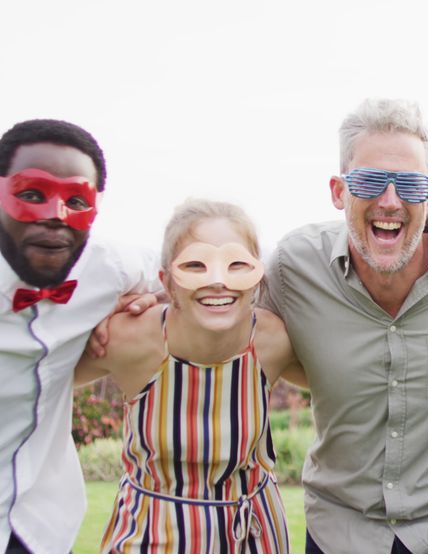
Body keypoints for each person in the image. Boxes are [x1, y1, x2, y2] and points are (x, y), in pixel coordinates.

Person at [262, 98, 428, 554]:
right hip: (342, 528)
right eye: (371, 181)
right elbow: (217, 300)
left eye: (410, 185)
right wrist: (145, 292)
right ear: (339, 191)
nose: (390, 201)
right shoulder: (293, 268)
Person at [77, 198, 303, 552]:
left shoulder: (274, 341)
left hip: (254, 534)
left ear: (257, 275)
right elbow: (41, 380)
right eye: (195, 265)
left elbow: (341, 383)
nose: (218, 282)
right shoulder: (130, 339)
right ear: (166, 281)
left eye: (237, 265)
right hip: (152, 534)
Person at [0, 119, 158, 553]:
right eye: (32, 195)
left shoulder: (109, 267)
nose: (55, 216)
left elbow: (188, 269)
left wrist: (143, 303)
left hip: (40, 529)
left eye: (76, 200)